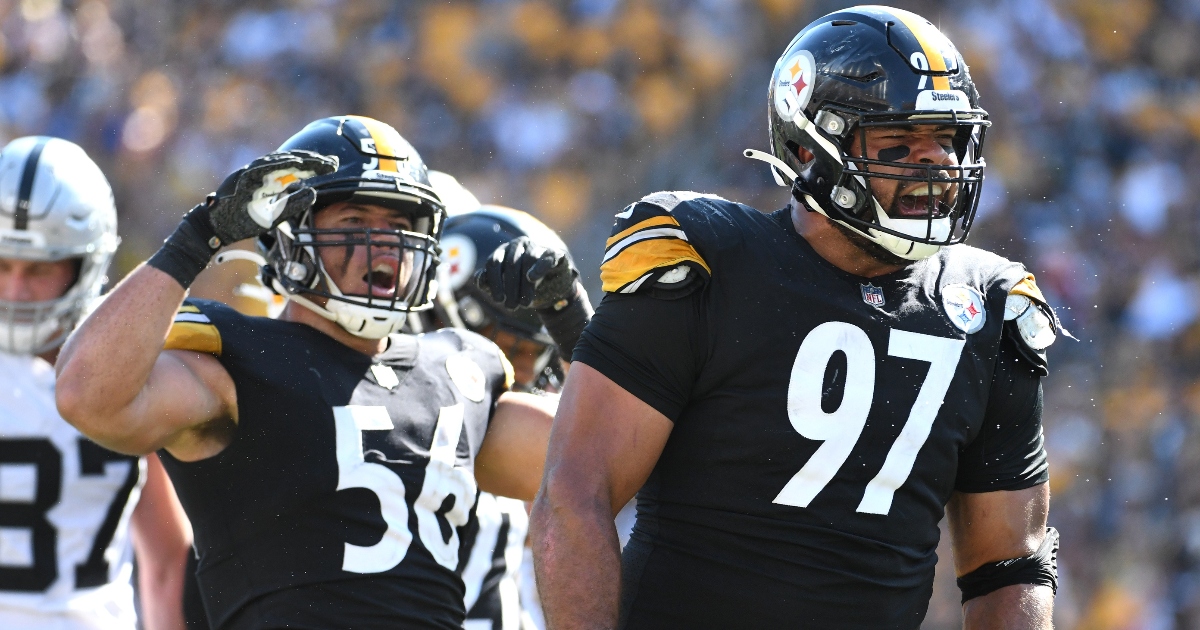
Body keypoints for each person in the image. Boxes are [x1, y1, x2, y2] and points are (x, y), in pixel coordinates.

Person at [531, 6, 1061, 629]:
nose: (937, 165)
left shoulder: (985, 309)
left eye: (947, 140)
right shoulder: (711, 264)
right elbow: (574, 495)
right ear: (812, 146)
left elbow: (1010, 563)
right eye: (901, 142)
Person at [53, 115, 586, 630]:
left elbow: (597, 465)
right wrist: (198, 237)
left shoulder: (458, 371)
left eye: (399, 226)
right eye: (354, 222)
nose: (383, 245)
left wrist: (573, 323)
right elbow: (86, 394)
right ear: (290, 238)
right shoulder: (239, 360)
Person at [0, 136, 190, 630]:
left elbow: (168, 557)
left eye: (39, 269)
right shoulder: (124, 369)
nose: (15, 290)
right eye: (2, 265)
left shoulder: (123, 371)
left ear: (85, 264)